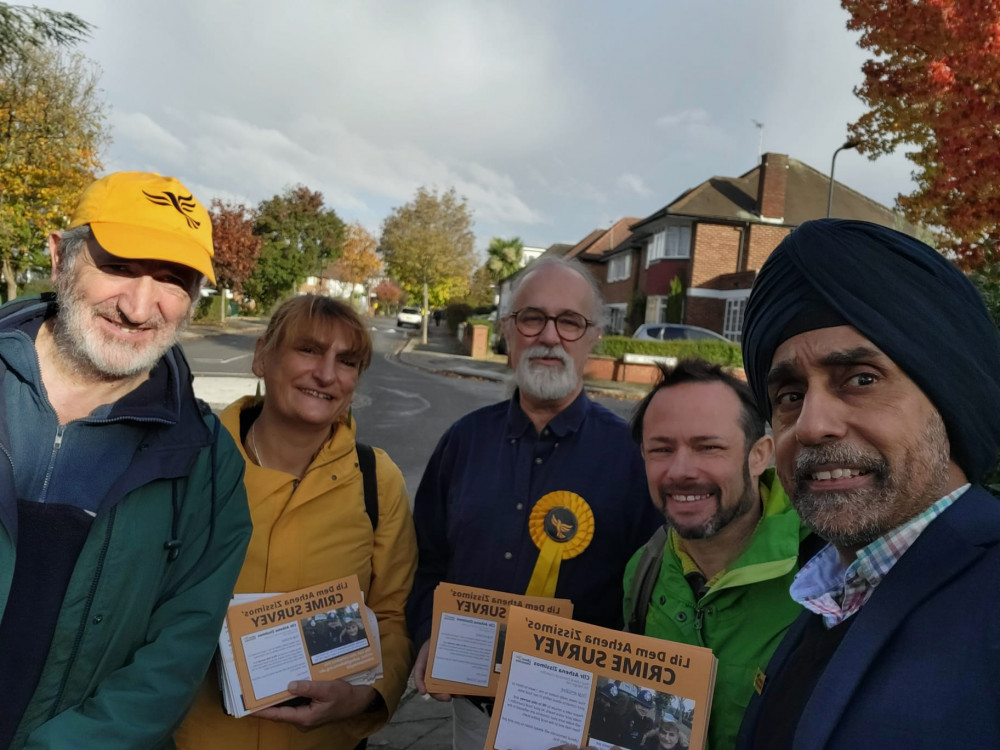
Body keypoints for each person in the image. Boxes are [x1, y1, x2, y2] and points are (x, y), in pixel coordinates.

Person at [0, 171, 252, 748]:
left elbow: (173, 658)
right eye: (119, 266)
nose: (140, 308)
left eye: (172, 279)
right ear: (61, 254)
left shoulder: (208, 464)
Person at [735, 219, 1000, 749]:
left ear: (947, 397)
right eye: (789, 394)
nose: (810, 425)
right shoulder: (832, 586)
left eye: (860, 379)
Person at [406, 256, 662, 749]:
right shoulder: (463, 442)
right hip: (473, 713)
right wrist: (426, 635)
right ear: (508, 331)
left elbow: (653, 600)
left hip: (581, 725)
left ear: (593, 338)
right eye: (532, 318)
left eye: (569, 322)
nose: (549, 336)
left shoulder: (634, 456)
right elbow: (427, 561)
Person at [176, 295, 417, 749]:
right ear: (262, 356)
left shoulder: (377, 480)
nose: (326, 374)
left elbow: (393, 615)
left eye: (346, 361)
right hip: (196, 738)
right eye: (308, 350)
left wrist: (363, 696)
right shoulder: (194, 462)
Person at [624, 359, 812, 750]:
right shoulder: (643, 570)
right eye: (661, 449)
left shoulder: (827, 574)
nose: (681, 471)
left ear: (760, 455)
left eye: (708, 447)